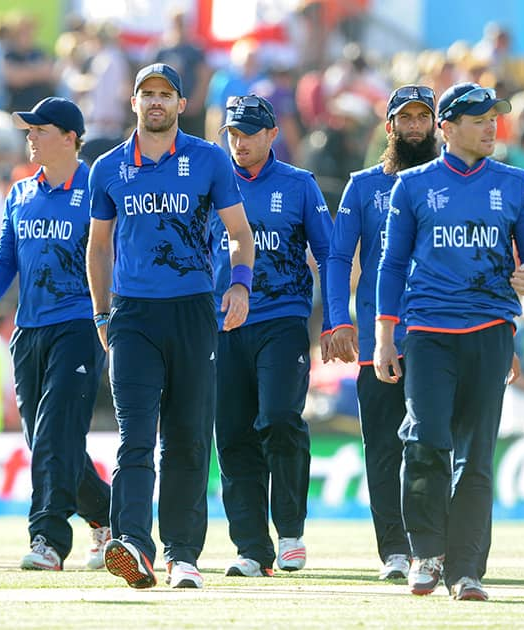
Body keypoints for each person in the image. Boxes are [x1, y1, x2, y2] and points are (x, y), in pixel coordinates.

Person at [375, 82, 524, 601]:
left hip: (491, 332)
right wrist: (385, 337)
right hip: (428, 334)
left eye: (494, 117)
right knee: (425, 442)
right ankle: (426, 554)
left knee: (475, 458)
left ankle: (467, 571)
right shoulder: (413, 186)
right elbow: (391, 265)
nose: (491, 125)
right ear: (447, 128)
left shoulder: (515, 183)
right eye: (479, 119)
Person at [87, 64, 254, 589]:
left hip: (193, 312)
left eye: (165, 95)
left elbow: (240, 235)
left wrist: (240, 284)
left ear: (182, 104)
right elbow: (96, 247)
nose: (155, 102)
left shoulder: (208, 160)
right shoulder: (109, 167)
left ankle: (183, 555)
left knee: (186, 438)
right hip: (132, 315)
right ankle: (133, 544)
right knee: (134, 436)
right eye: (146, 94)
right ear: (133, 102)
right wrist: (101, 313)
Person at [0, 97, 112, 571]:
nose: (29, 137)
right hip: (29, 329)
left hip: (81, 325)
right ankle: (108, 514)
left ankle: (47, 539)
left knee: (53, 433)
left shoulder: (98, 188)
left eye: (39, 130)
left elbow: (115, 256)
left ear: (69, 137)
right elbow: (5, 257)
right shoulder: (21, 193)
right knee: (45, 437)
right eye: (28, 130)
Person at [211, 94, 332, 579]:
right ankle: (251, 547)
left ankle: (290, 533)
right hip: (221, 325)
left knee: (279, 418)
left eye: (249, 133)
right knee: (233, 435)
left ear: (271, 135)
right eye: (232, 134)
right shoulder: (209, 184)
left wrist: (336, 320)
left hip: (282, 320)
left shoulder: (300, 185)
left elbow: (330, 254)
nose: (239, 142)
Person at [326, 85, 440, 581]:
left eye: (423, 117)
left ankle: (433, 547)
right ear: (389, 126)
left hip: (442, 333)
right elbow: (336, 256)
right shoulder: (363, 186)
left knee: (435, 445)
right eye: (406, 118)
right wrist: (338, 319)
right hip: (379, 341)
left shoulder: (454, 185)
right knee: (383, 448)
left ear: (436, 125)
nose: (415, 126)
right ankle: (394, 551)